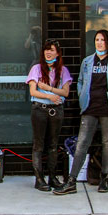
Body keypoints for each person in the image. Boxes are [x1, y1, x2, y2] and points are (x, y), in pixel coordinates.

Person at [55, 29, 108, 195]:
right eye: (97, 40)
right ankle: (72, 181)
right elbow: (80, 81)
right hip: (89, 107)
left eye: (102, 40)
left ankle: (104, 178)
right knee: (82, 143)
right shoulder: (88, 62)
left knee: (107, 143)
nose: (99, 43)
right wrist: (82, 97)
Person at [26, 39, 72, 191]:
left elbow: (65, 92)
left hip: (56, 110)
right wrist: (49, 96)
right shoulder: (36, 69)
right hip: (39, 109)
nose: (48, 52)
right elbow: (33, 91)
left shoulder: (63, 70)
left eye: (52, 49)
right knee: (38, 145)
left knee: (53, 145)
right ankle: (39, 180)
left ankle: (52, 178)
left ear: (57, 53)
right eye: (46, 49)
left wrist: (48, 89)